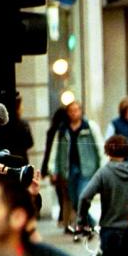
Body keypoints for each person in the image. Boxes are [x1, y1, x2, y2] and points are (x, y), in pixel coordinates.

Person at [77, 135, 128, 255]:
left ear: (107, 152)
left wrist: (82, 221)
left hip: (110, 231)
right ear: (127, 152)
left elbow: (85, 196)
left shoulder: (104, 173)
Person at [49, 100, 104, 233]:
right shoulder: (62, 130)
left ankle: (88, 222)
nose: (74, 113)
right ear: (68, 113)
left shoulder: (89, 127)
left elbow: (100, 147)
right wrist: (53, 169)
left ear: (81, 111)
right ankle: (89, 222)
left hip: (87, 169)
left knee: (81, 196)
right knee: (73, 199)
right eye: (71, 110)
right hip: (68, 169)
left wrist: (102, 166)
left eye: (76, 110)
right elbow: (55, 150)